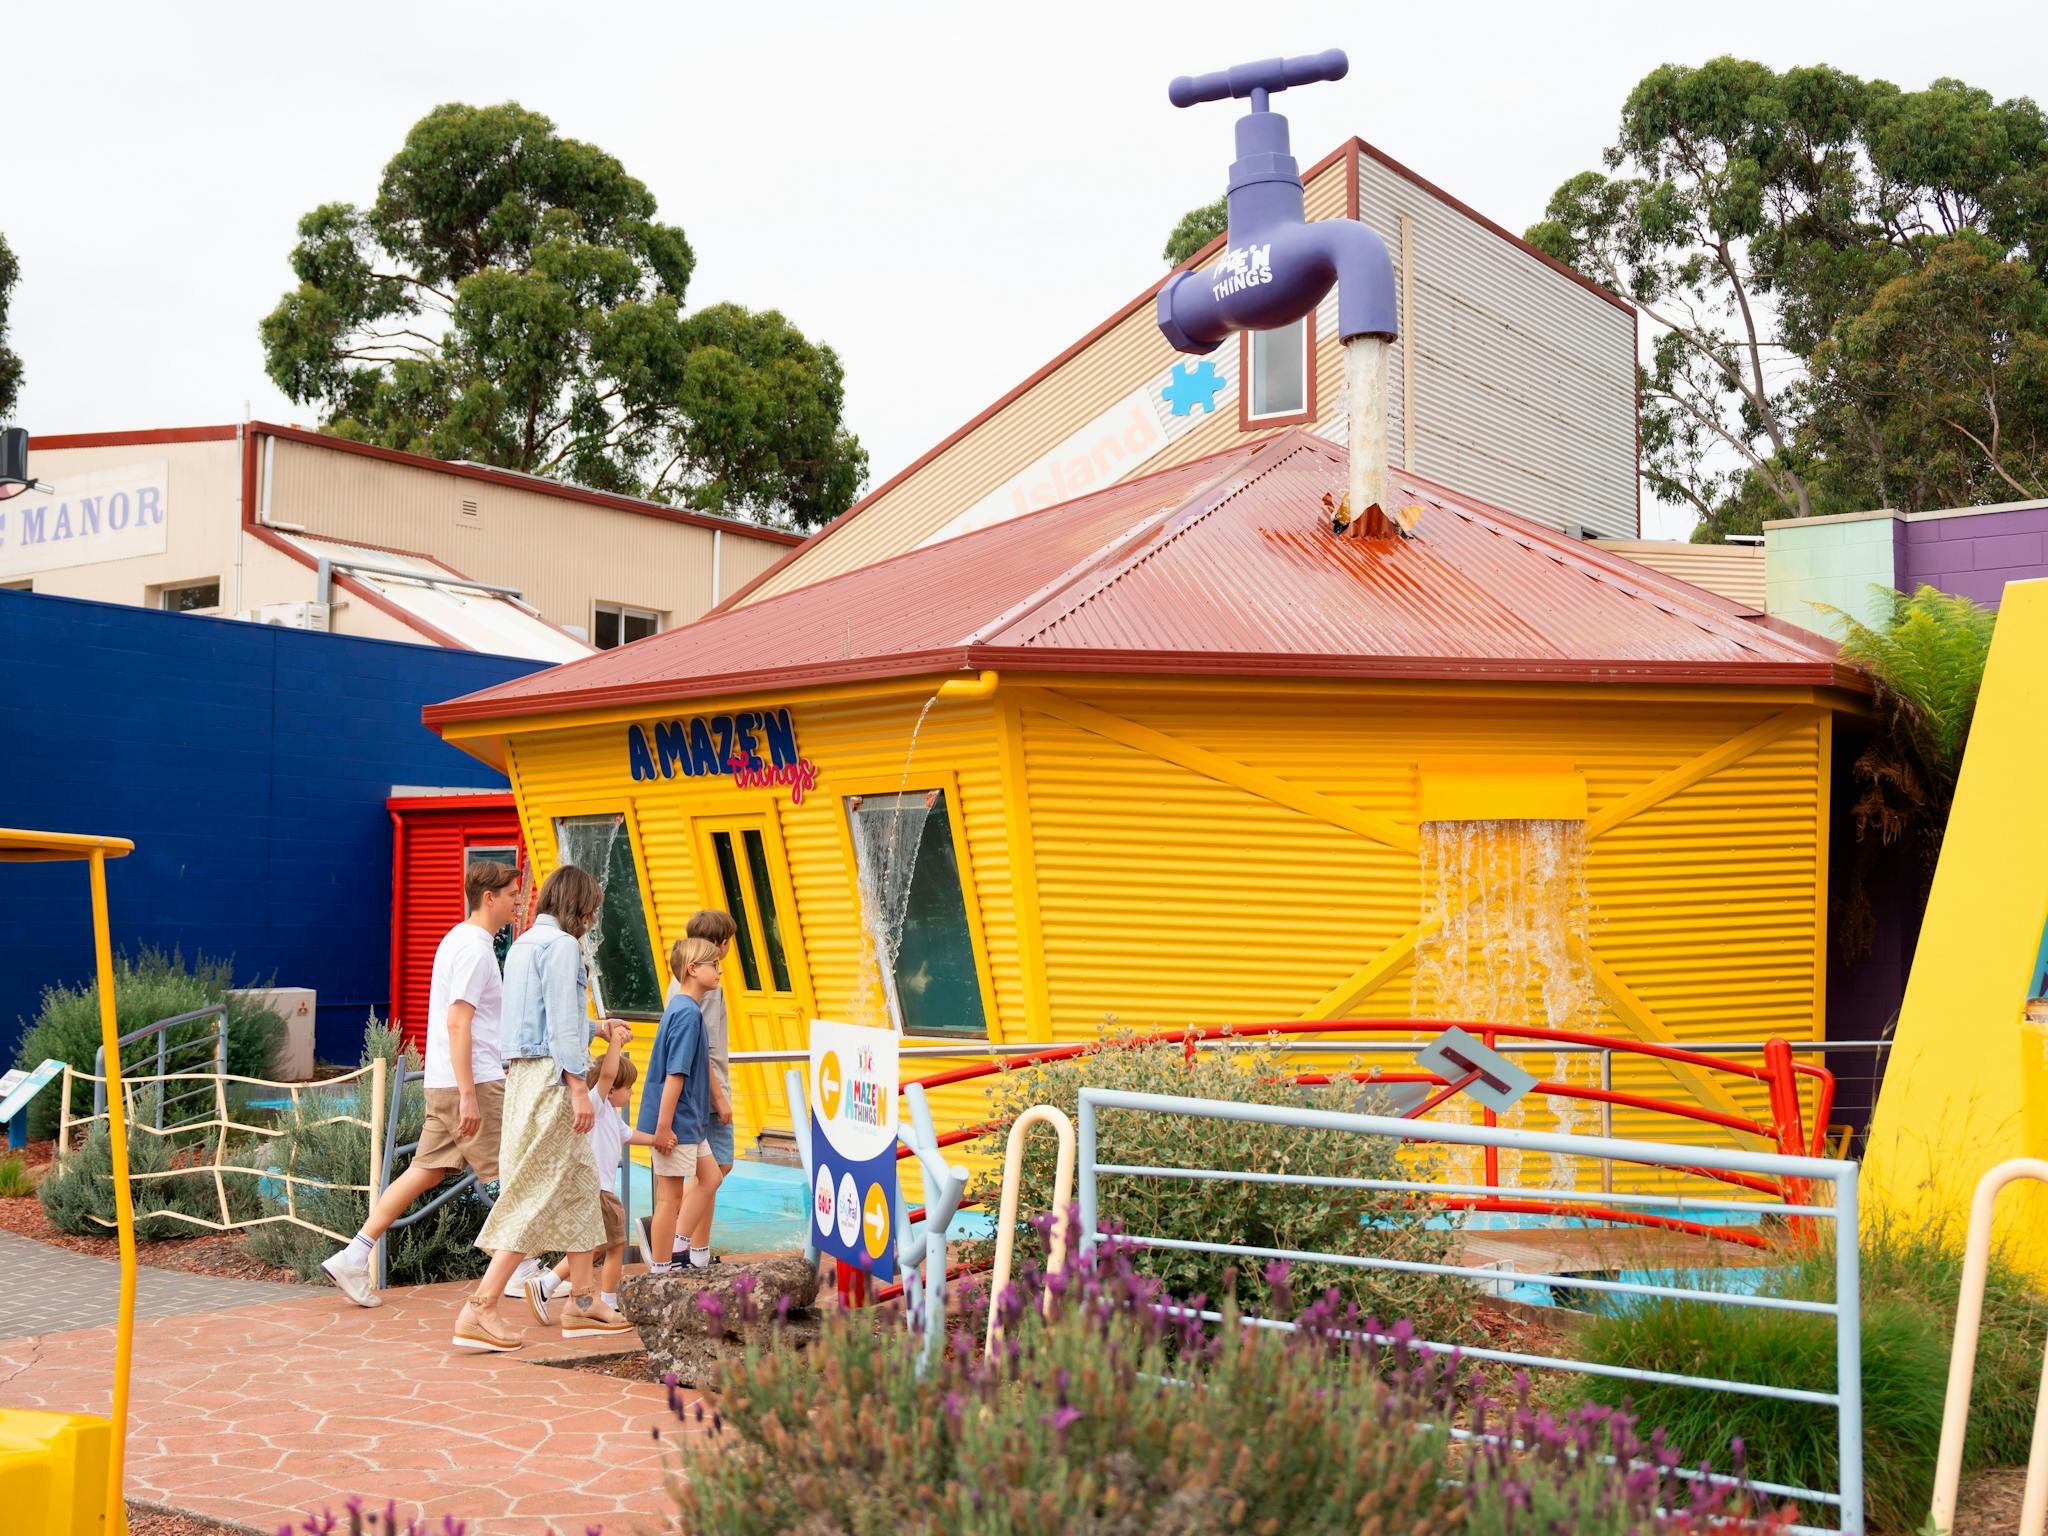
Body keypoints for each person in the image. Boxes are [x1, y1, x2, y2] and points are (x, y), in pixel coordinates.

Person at [321, 859, 518, 1307]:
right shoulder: (475, 949)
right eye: (511, 894)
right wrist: (469, 1093)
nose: (516, 902)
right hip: (474, 1082)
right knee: (514, 1174)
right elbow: (457, 1023)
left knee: (424, 1172)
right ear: (490, 898)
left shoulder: (458, 940)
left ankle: (354, 1256)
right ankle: (520, 1272)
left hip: (447, 1081)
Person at [455, 865, 632, 1352]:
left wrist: (596, 1027)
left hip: (527, 1079)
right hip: (555, 1080)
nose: (593, 918)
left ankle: (581, 1301)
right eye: (591, 908)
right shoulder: (564, 948)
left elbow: (536, 1018)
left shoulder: (525, 944)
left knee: (578, 1190)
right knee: (534, 1191)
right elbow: (556, 1025)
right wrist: (579, 1087)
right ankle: (481, 1306)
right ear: (578, 905)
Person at [520, 1022, 648, 1322]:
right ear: (613, 1088)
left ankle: (545, 1284)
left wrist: (659, 1140)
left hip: (596, 1190)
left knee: (590, 1249)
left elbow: (628, 1136)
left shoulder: (610, 1115)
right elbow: (606, 1073)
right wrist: (614, 1042)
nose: (631, 1094)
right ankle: (609, 1301)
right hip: (599, 1191)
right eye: (628, 1088)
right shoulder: (597, 1104)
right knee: (616, 1246)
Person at [648, 909, 737, 1265]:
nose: (720, 967)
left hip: (693, 1097)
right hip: (702, 1096)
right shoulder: (702, 991)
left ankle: (693, 1249)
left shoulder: (682, 987)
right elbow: (699, 1054)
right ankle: (675, 1243)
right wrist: (719, 1098)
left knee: (711, 1172)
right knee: (714, 1171)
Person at [639, 936, 722, 1272]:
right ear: (692, 969)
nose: (719, 971)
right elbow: (675, 1075)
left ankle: (677, 1250)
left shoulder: (682, 1007)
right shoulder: (687, 1014)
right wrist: (663, 1128)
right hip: (677, 1123)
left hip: (688, 1121)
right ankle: (661, 1270)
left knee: (711, 1177)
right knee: (669, 1199)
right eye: (712, 965)